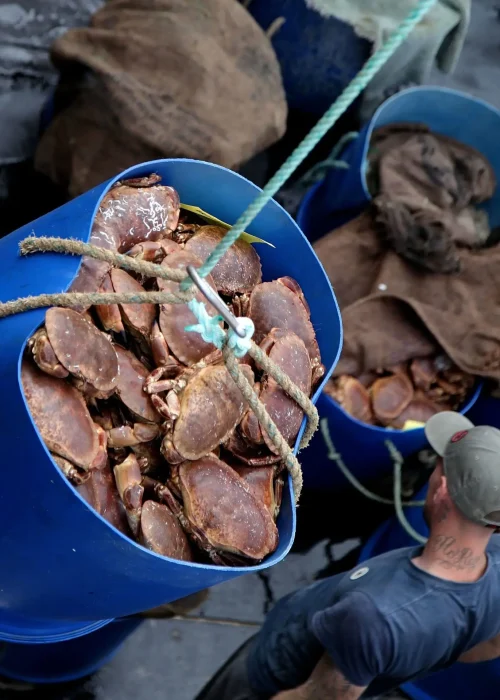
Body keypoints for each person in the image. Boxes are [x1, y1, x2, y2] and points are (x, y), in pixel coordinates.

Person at [194, 411, 500, 699]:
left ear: (442, 490)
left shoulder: (373, 615)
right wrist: (415, 650)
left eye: (438, 465)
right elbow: (490, 645)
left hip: (271, 676)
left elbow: (320, 697)